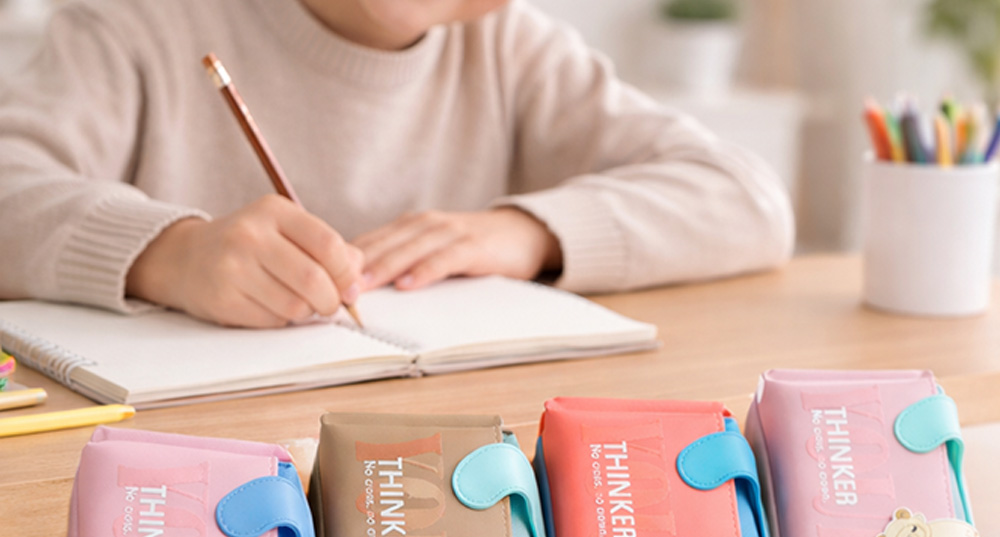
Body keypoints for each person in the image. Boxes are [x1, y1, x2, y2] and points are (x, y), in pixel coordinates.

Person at [0, 0, 794, 328]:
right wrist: (167, 254)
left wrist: (529, 233)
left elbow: (747, 199)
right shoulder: (134, 21)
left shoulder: (510, 46)